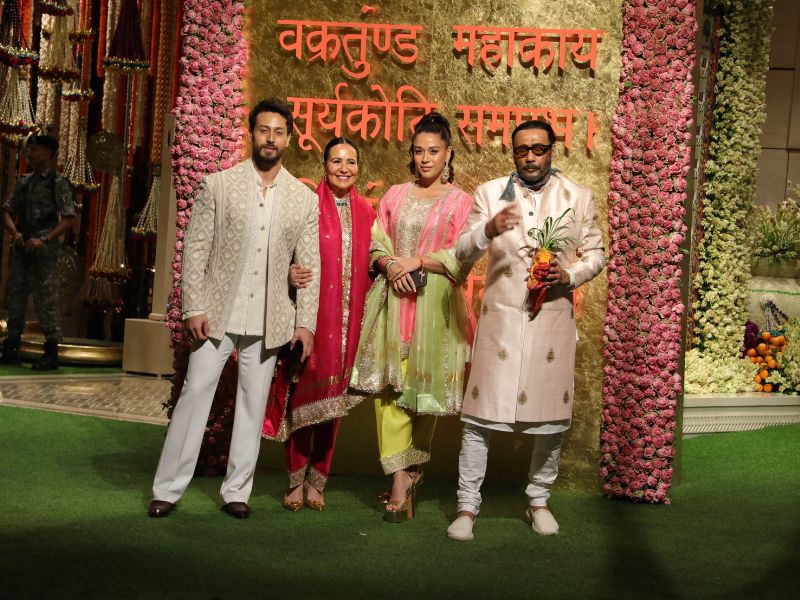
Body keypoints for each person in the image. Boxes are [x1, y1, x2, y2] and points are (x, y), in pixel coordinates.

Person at [148, 98, 320, 519]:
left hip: (268, 318)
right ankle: (167, 489)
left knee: (252, 403)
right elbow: (195, 250)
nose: (270, 139)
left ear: (289, 138)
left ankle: (237, 491)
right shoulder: (219, 185)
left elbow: (308, 267)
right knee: (195, 394)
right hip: (217, 314)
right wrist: (194, 306)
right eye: (264, 130)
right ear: (251, 133)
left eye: (278, 132)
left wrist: (305, 324)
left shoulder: (303, 199)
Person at [447, 119, 605, 540]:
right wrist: (488, 230)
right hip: (500, 322)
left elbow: (596, 253)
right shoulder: (489, 194)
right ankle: (467, 506)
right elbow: (461, 250)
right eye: (522, 150)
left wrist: (568, 275)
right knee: (479, 420)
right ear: (512, 153)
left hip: (551, 319)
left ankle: (538, 500)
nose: (530, 157)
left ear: (552, 150)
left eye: (539, 149)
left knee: (550, 422)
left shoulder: (578, 196)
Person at [350, 112, 475, 523]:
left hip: (435, 307)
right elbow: (376, 241)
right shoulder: (395, 195)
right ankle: (403, 478)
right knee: (390, 391)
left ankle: (407, 476)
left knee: (423, 393)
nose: (425, 159)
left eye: (433, 151)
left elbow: (462, 255)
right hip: (394, 303)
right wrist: (390, 265)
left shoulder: (460, 202)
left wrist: (417, 262)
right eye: (419, 151)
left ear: (448, 153)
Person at [262, 137, 374, 511]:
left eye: (351, 162)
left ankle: (317, 481)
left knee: (334, 407)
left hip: (349, 326)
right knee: (304, 401)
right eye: (337, 161)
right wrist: (288, 272)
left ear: (358, 168)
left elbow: (375, 260)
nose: (344, 168)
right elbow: (280, 252)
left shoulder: (367, 213)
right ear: (324, 165)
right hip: (311, 322)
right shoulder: (308, 205)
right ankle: (295, 479)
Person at [0, 134, 75, 371]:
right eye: (29, 149)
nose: (30, 154)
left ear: (49, 153)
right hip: (22, 247)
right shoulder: (25, 182)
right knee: (16, 296)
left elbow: (69, 218)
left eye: (36, 150)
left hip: (44, 251)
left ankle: (51, 351)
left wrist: (45, 239)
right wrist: (14, 233)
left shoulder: (58, 183)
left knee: (46, 300)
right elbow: (6, 210)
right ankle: (12, 345)